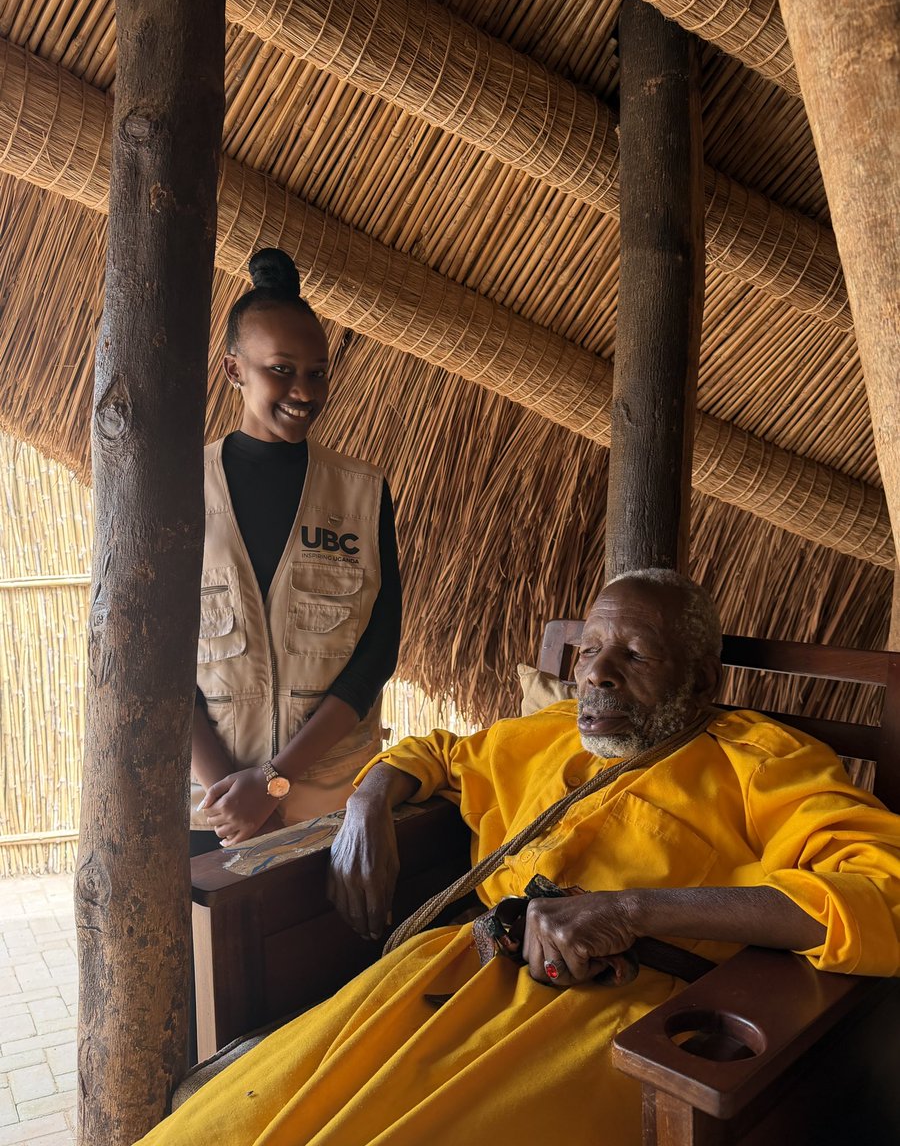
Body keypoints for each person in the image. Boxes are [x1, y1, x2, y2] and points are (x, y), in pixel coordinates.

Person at [142, 568, 900, 1145]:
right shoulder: (549, 732)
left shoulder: (763, 762)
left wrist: (633, 909)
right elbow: (433, 752)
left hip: (613, 1016)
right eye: (590, 650)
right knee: (232, 1128)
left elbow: (882, 894)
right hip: (453, 967)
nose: (597, 673)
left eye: (634, 655)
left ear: (701, 679)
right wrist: (369, 803)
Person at [190, 248, 402, 851]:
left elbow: (377, 650)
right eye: (280, 370)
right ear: (235, 370)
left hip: (332, 803)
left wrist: (275, 781)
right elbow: (157, 657)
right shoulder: (179, 490)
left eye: (317, 372)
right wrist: (235, 794)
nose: (303, 391)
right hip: (211, 811)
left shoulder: (361, 493)